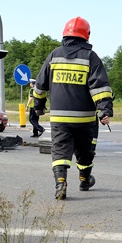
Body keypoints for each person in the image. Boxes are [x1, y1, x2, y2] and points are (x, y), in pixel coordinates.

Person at [33, 16, 113, 200]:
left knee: (60, 151)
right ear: (87, 35)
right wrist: (104, 110)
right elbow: (99, 87)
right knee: (85, 151)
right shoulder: (90, 57)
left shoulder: (54, 55)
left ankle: (60, 183)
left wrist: (38, 107)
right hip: (85, 119)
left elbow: (40, 84)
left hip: (60, 118)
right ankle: (84, 179)